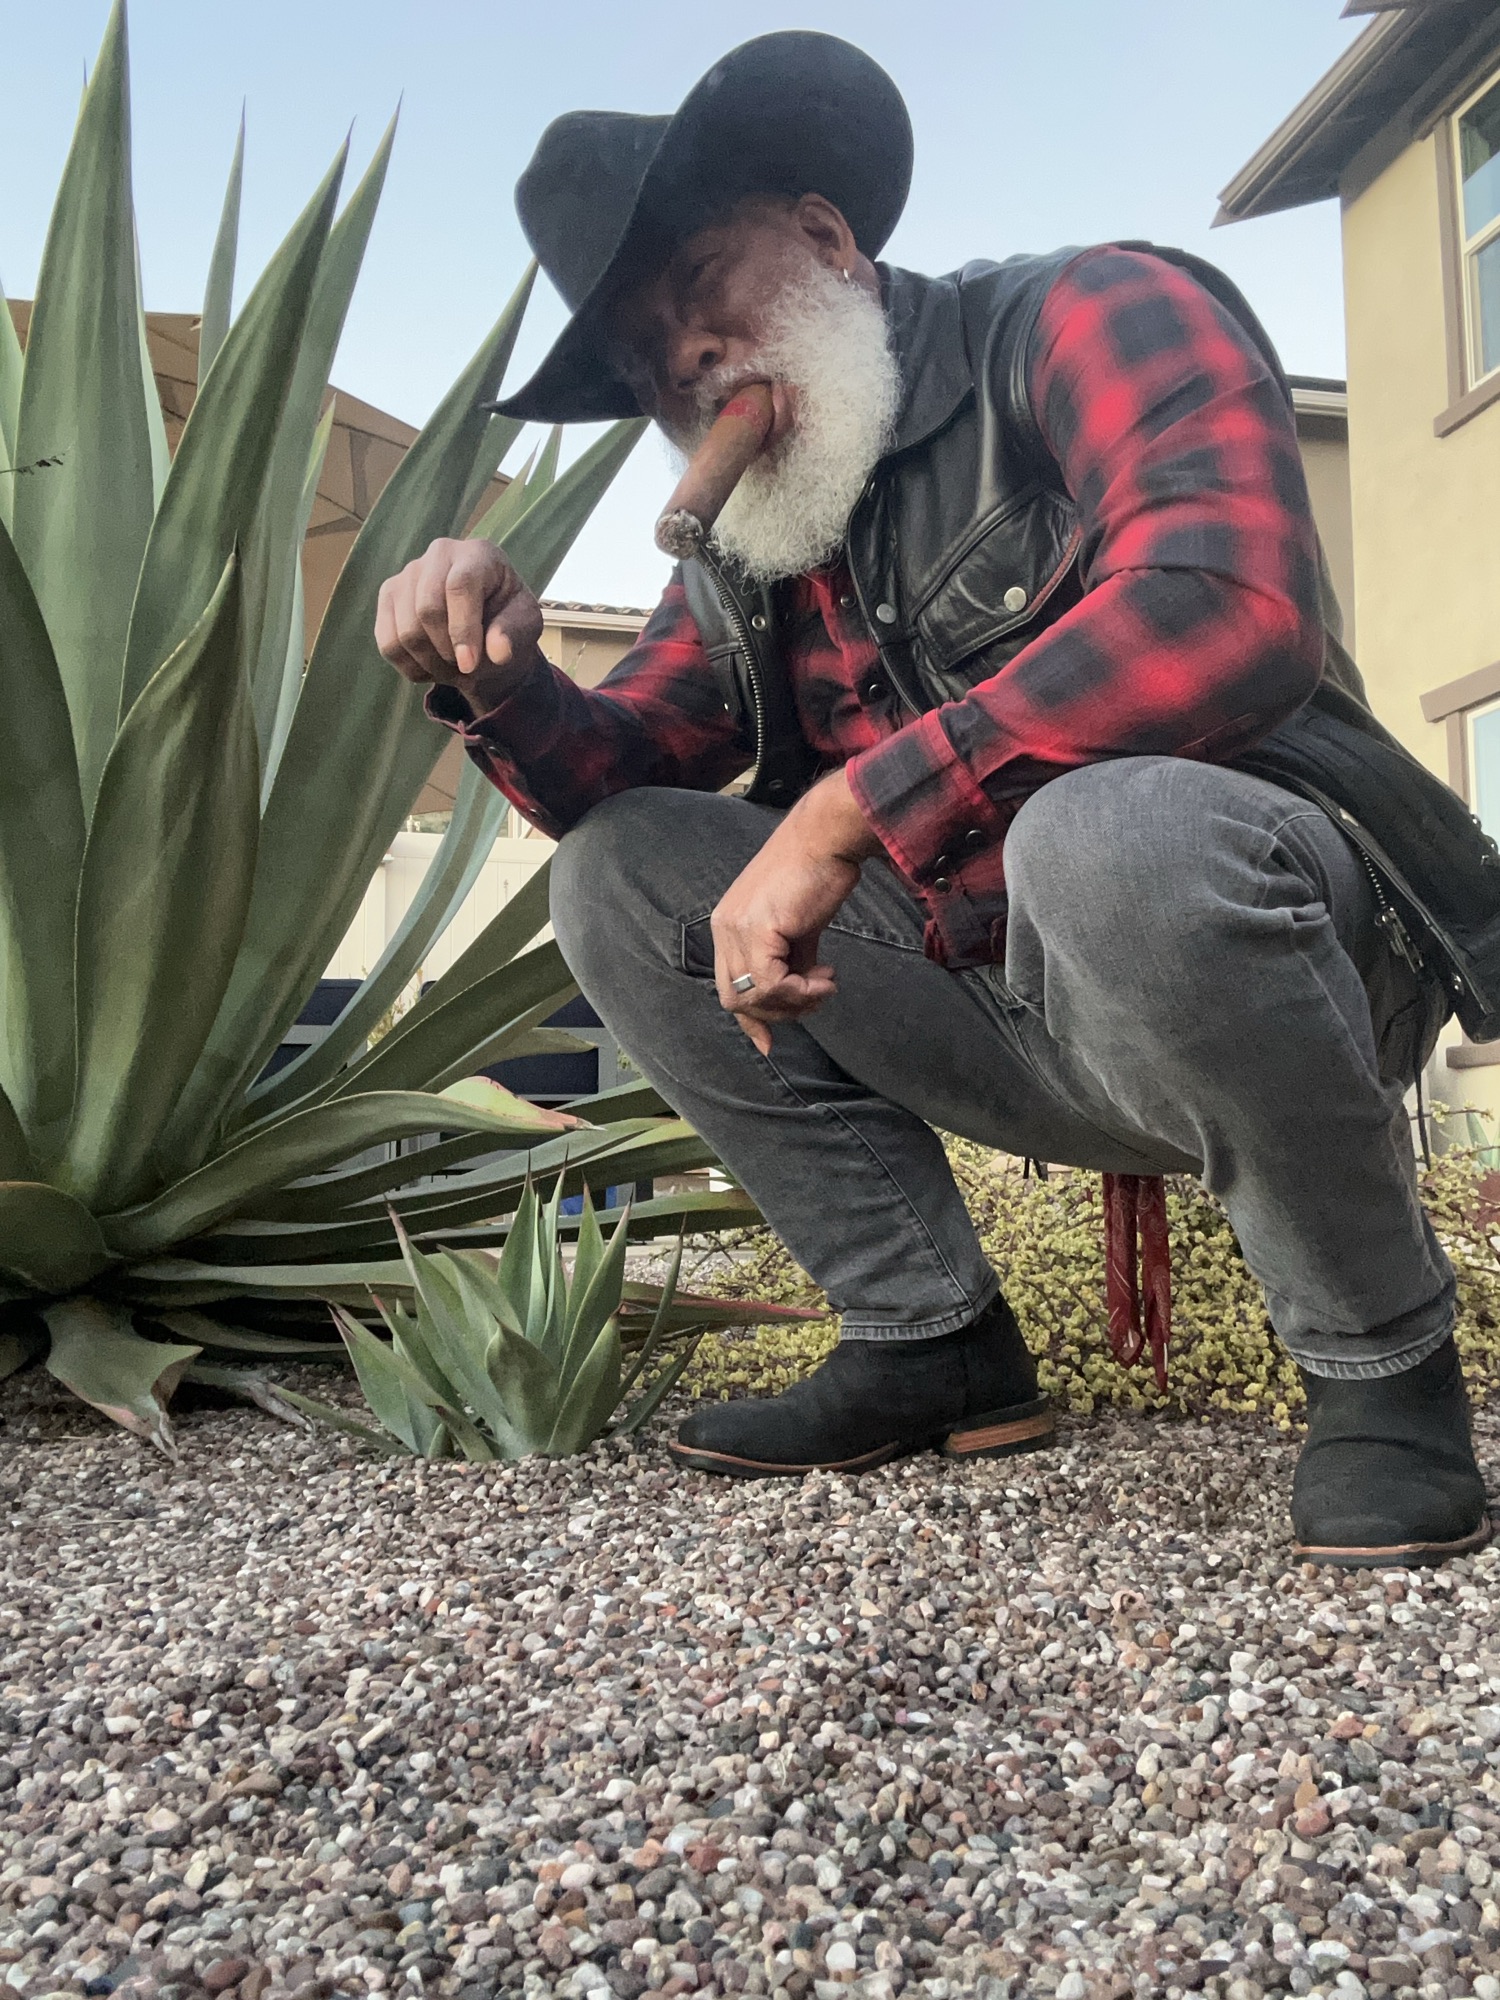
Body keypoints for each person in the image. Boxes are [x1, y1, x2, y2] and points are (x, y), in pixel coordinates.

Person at [375, 32, 1492, 1566]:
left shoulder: (1085, 313)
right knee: (619, 872)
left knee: (1103, 833)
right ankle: (929, 1341)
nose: (686, 358)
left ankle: (1383, 1368)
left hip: (1290, 954)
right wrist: (501, 679)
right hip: (1004, 1008)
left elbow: (1229, 603)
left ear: (829, 237)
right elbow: (611, 776)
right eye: (645, 354)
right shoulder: (763, 539)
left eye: (702, 283)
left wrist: (843, 813)